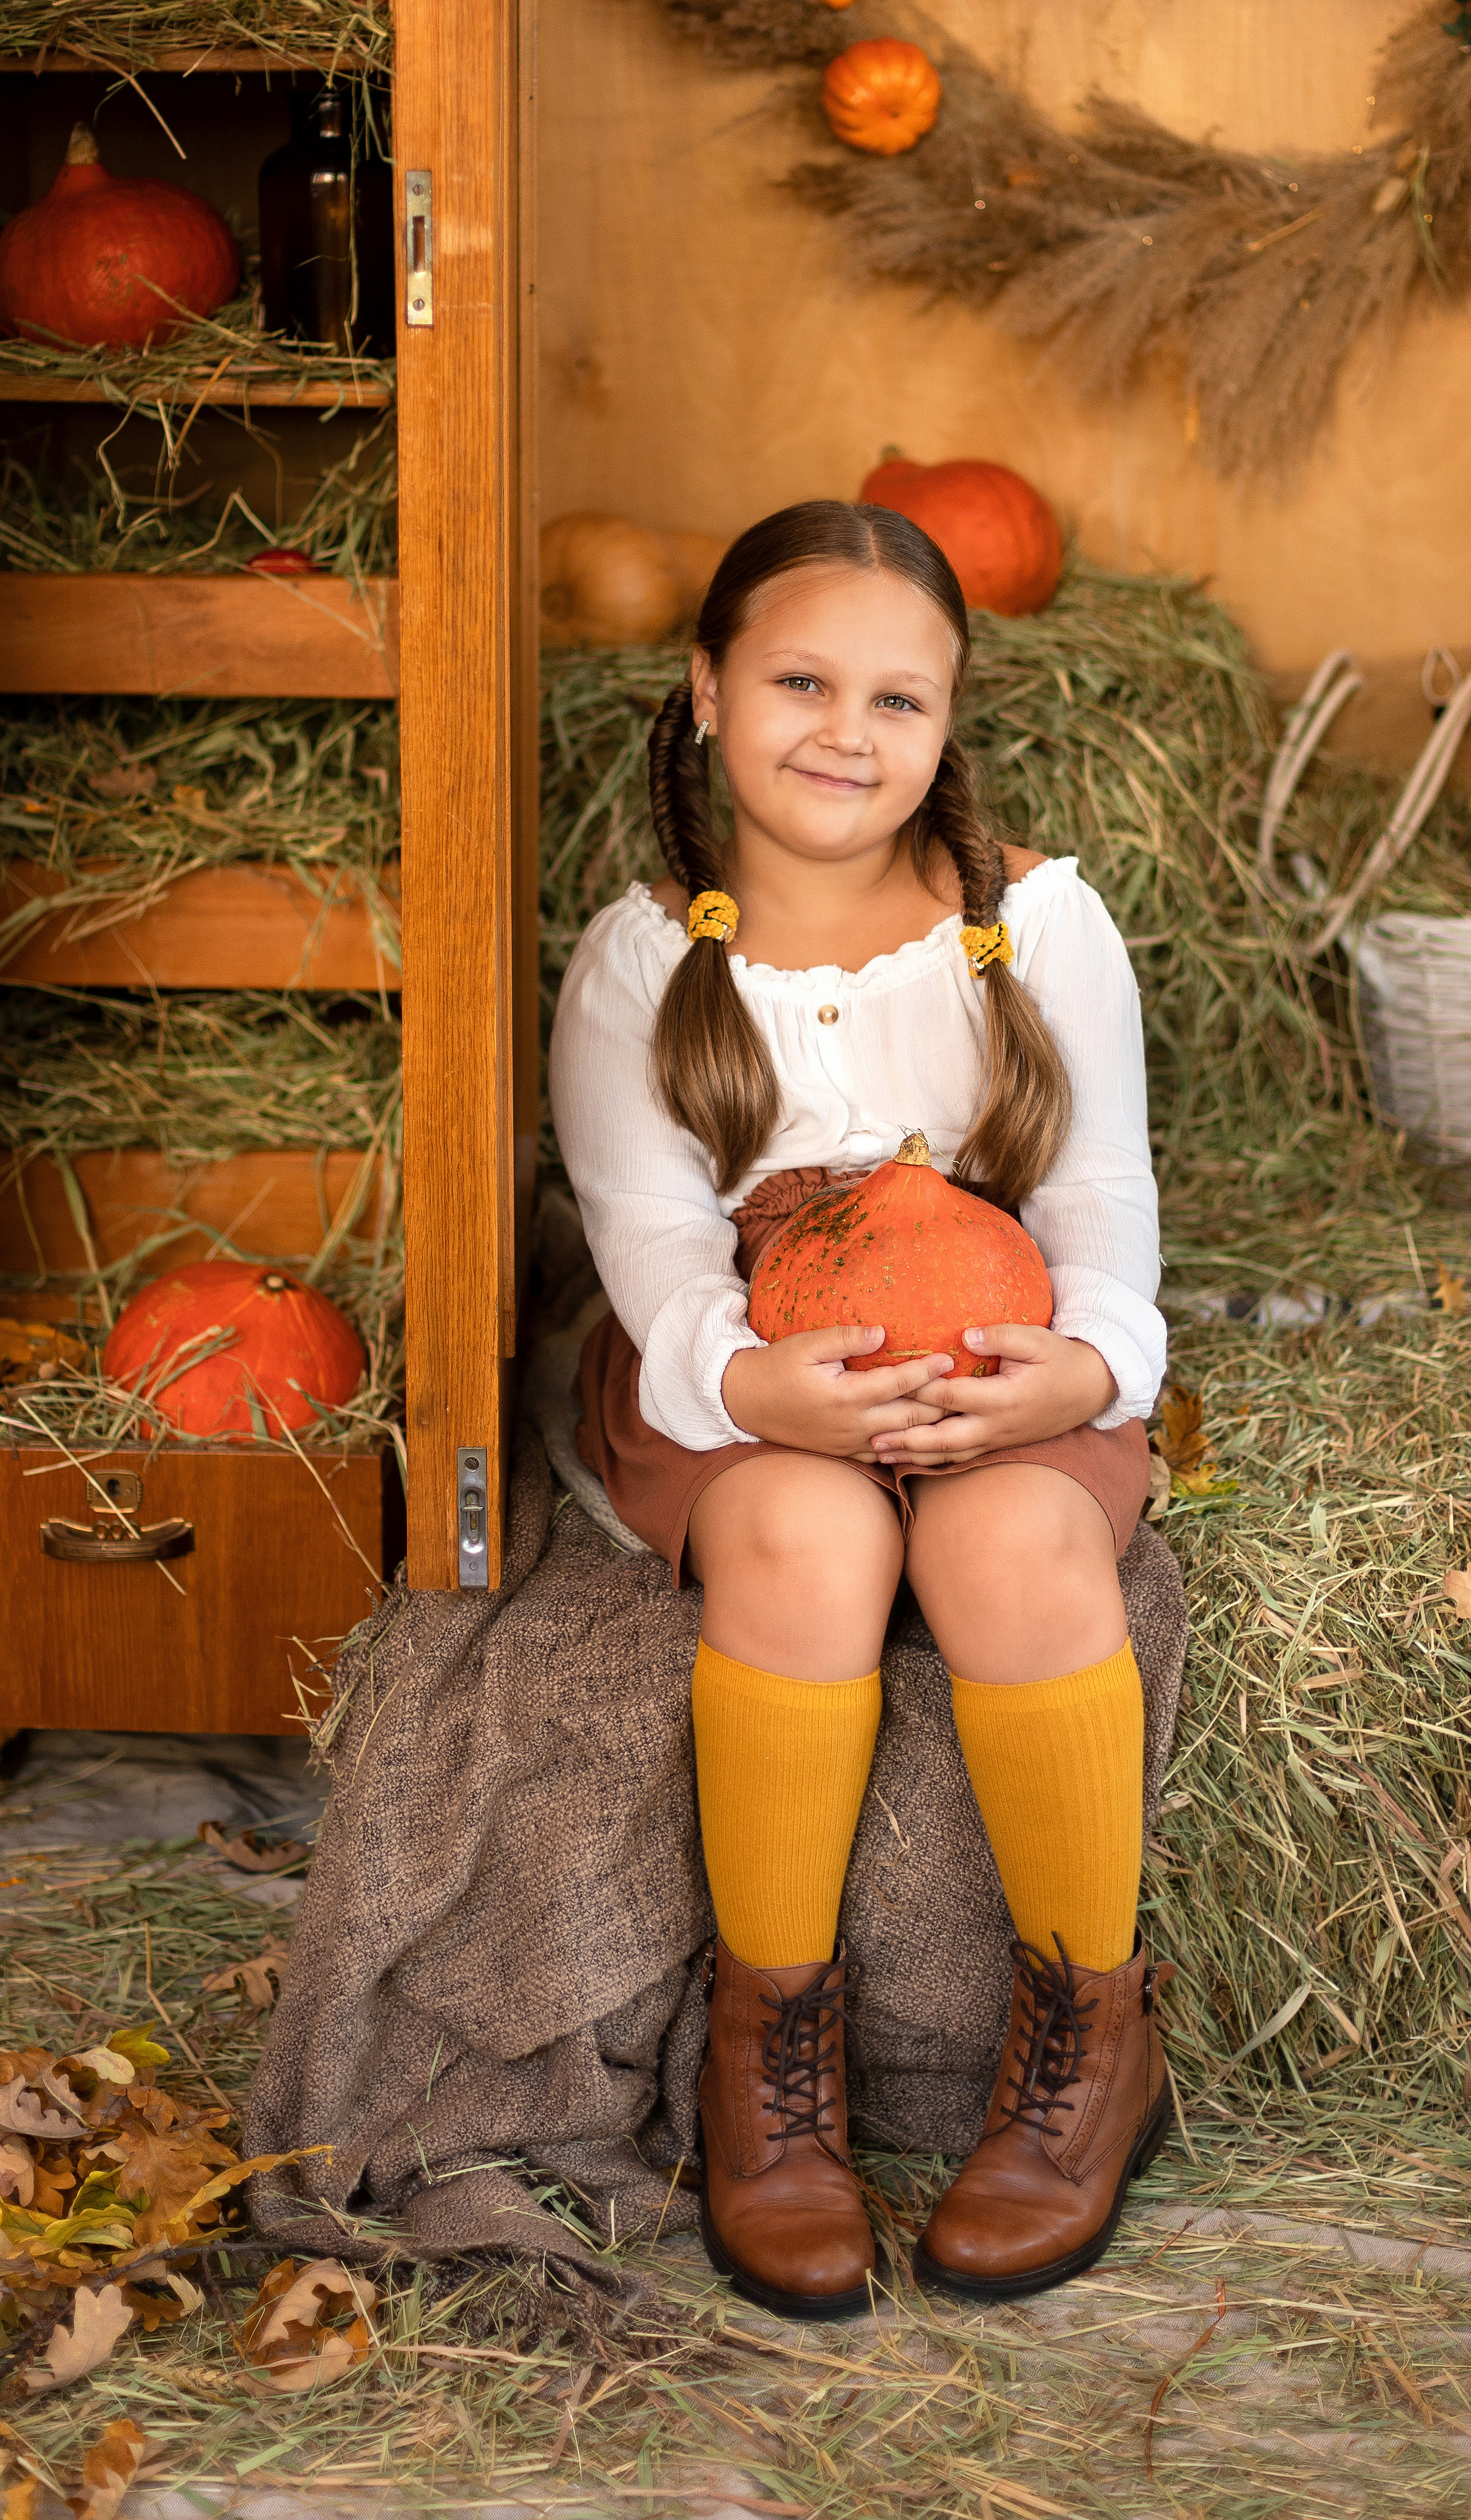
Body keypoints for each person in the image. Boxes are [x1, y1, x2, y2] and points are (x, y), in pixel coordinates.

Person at [549, 499, 1172, 2322]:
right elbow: (656, 1259)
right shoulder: (644, 964)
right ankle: (774, 2058)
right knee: (810, 1542)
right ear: (705, 689)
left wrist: (1086, 1373)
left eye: (899, 700)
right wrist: (754, 1387)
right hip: (742, 1344)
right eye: (802, 680)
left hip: (1002, 1330)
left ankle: (1091, 2039)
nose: (847, 730)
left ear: (951, 722)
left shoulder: (1033, 930)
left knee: (1014, 1541)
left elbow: (1107, 1218)